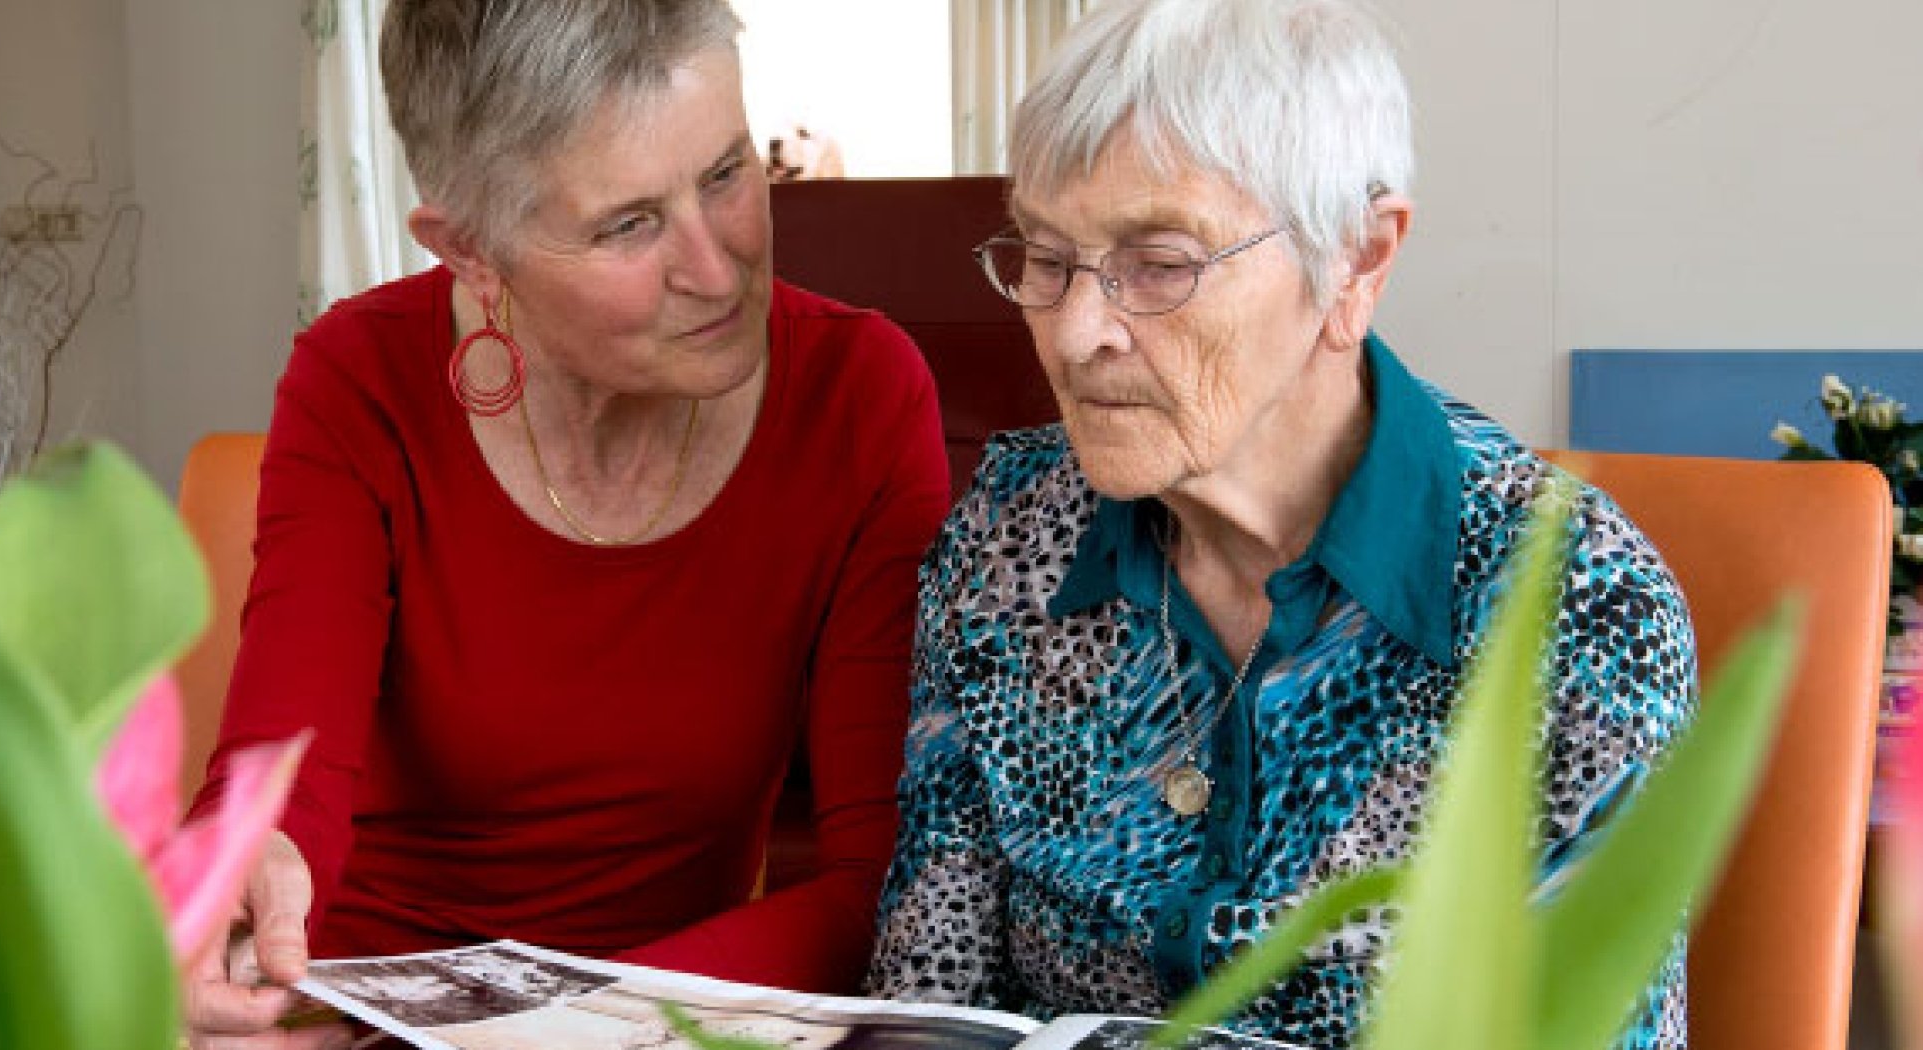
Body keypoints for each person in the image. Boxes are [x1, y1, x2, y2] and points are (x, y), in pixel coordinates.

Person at [862, 1, 1695, 1048]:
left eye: (1157, 264)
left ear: (1354, 260)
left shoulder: (1569, 613)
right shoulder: (1003, 538)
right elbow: (924, 1001)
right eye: (1046, 257)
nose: (1073, 334)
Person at [182, 1, 952, 1046]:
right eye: (628, 223)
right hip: (349, 1014)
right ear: (470, 251)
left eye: (725, 173)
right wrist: (233, 894)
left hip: (671, 1024)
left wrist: (540, 1027)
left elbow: (885, 885)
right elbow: (280, 787)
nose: (719, 270)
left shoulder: (856, 396)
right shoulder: (355, 382)